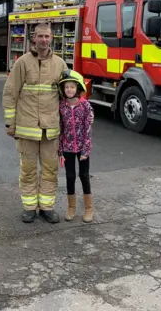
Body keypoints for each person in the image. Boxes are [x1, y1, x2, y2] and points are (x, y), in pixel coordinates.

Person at [2, 23, 67, 224]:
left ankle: (47, 207)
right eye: (40, 36)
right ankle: (29, 207)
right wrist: (9, 123)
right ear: (34, 38)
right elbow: (10, 93)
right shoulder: (22, 63)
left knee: (50, 170)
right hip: (27, 127)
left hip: (51, 130)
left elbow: (66, 97)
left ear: (51, 38)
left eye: (47, 36)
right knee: (28, 170)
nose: (44, 40)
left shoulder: (60, 64)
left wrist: (68, 126)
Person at [58, 69, 95, 223]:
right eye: (66, 87)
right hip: (67, 148)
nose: (69, 90)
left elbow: (88, 129)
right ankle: (71, 208)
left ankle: (89, 209)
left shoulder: (85, 106)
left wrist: (85, 150)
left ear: (78, 88)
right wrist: (60, 150)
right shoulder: (61, 106)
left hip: (82, 148)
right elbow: (60, 128)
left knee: (84, 176)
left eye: (72, 87)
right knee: (70, 176)